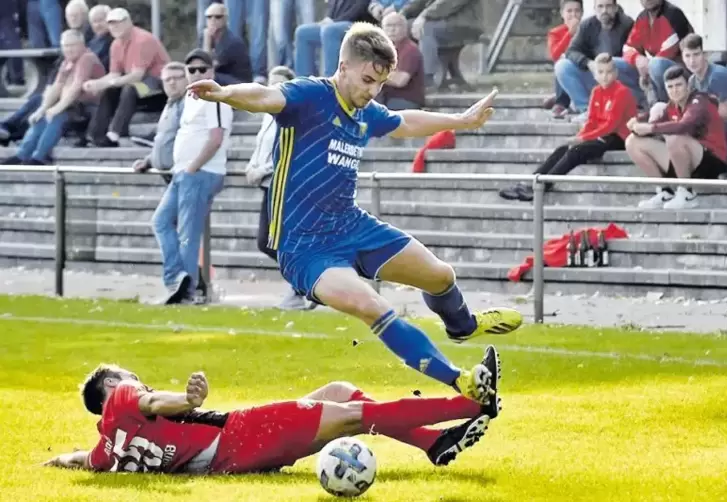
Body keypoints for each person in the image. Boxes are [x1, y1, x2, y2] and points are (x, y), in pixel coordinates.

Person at [186, 22, 523, 405]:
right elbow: (265, 96)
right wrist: (226, 92)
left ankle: (462, 326)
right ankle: (460, 381)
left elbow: (405, 122)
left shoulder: (365, 110)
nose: (372, 91)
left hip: (352, 225)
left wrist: (460, 121)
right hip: (305, 248)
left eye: (380, 83)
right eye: (366, 80)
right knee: (372, 306)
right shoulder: (311, 94)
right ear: (342, 66)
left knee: (440, 275)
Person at [43, 355, 500, 472]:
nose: (135, 378)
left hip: (235, 456)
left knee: (340, 393)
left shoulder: (107, 450)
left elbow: (79, 459)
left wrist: (54, 461)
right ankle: (471, 402)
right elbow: (156, 401)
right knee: (356, 413)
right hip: (246, 435)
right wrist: (186, 400)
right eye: (127, 374)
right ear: (110, 386)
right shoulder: (123, 396)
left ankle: (433, 442)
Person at [152, 49, 233, 305]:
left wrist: (192, 167)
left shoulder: (215, 97)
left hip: (200, 173)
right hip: (183, 172)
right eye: (192, 70)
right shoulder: (190, 99)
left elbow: (216, 138)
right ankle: (177, 278)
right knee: (161, 221)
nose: (196, 73)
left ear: (211, 71)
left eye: (202, 69)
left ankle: (184, 289)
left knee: (187, 232)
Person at [499, 53, 636, 201]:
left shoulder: (622, 92)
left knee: (577, 150)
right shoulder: (596, 92)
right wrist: (580, 136)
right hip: (601, 135)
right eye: (601, 72)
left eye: (609, 72)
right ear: (595, 75)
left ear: (615, 73)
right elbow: (592, 121)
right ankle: (530, 183)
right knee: (563, 149)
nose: (605, 76)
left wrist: (582, 138)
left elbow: (611, 125)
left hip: (619, 137)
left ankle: (542, 187)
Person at [245, 66, 313, 310]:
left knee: (272, 240)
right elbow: (262, 146)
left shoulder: (292, 114)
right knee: (270, 241)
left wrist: (261, 170)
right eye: (269, 84)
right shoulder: (267, 114)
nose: (272, 89)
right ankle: (303, 286)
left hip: (283, 183)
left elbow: (290, 152)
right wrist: (252, 166)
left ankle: (306, 284)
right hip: (268, 183)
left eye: (278, 85)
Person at [625, 65, 727, 209]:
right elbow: (654, 124)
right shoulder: (671, 106)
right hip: (687, 160)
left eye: (679, 85)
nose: (675, 90)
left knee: (675, 137)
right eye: (670, 87)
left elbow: (683, 126)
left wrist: (649, 127)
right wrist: (636, 125)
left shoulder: (700, 101)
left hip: (713, 161)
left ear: (688, 85)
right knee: (632, 142)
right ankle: (664, 191)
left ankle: (687, 193)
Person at [1, 30, 105, 165]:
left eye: (72, 45)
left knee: (57, 115)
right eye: (66, 46)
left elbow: (76, 88)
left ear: (82, 45)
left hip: (90, 110)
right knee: (41, 116)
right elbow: (57, 85)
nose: (69, 49)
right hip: (72, 106)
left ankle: (39, 157)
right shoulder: (67, 61)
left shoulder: (87, 58)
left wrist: (56, 108)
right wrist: (42, 109)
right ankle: (23, 155)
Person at [83, 7, 169, 147]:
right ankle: (95, 135)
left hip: (160, 85)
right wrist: (97, 83)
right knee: (110, 91)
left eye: (118, 22)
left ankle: (115, 133)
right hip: (141, 83)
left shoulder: (142, 40)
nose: (114, 27)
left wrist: (110, 82)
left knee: (131, 88)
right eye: (111, 23)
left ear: (129, 22)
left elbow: (137, 75)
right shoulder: (116, 44)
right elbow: (114, 74)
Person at [555, 0, 639, 120]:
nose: (604, 10)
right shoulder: (587, 25)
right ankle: (587, 110)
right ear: (594, 9)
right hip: (597, 73)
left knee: (611, 62)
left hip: (621, 75)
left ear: (615, 8)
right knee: (562, 66)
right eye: (600, 6)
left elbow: (635, 52)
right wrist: (588, 63)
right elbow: (571, 51)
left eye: (608, 6)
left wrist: (604, 64)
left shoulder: (627, 24)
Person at [622, 0, 693, 104]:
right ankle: (643, 105)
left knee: (656, 64)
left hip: (681, 70)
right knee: (616, 64)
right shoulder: (642, 17)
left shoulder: (674, 14)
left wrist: (647, 68)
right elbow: (628, 47)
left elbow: (669, 50)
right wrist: (637, 58)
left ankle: (666, 106)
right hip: (654, 67)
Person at [680, 34, 727, 153]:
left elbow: (725, 114)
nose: (692, 61)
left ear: (705, 54)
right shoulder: (692, 80)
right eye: (687, 56)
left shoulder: (717, 75)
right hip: (713, 127)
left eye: (696, 54)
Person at [376, 12, 424, 110]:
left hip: (404, 99)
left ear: (405, 29)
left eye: (396, 25)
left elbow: (400, 80)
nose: (392, 29)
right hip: (384, 98)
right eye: (388, 26)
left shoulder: (410, 49)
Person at [544, 0, 582, 118]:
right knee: (562, 62)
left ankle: (563, 97)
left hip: (582, 67)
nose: (573, 15)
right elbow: (554, 55)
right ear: (562, 13)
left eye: (577, 11)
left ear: (582, 13)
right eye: (569, 11)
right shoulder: (555, 33)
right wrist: (569, 34)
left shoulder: (587, 28)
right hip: (564, 69)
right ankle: (561, 102)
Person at [200, 3, 253, 86]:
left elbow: (206, 67)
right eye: (209, 17)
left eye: (218, 17)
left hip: (239, 84)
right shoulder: (209, 37)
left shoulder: (231, 42)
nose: (213, 20)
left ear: (225, 19)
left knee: (207, 75)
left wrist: (206, 42)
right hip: (225, 79)